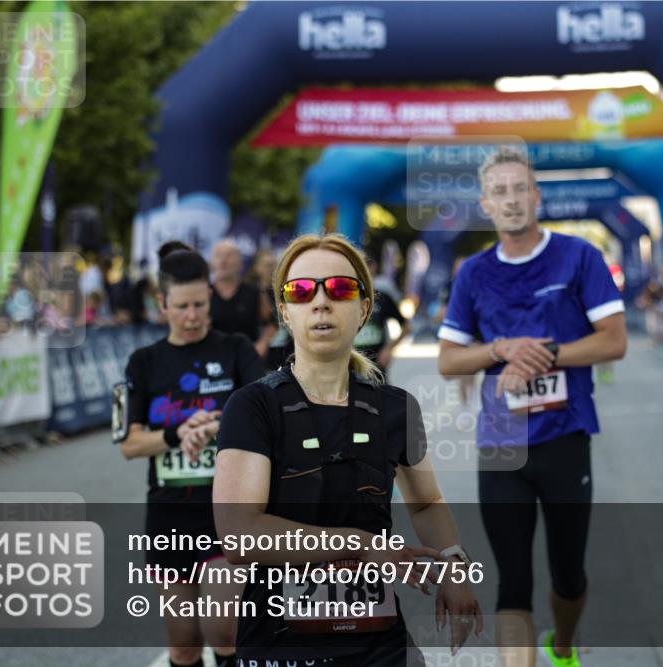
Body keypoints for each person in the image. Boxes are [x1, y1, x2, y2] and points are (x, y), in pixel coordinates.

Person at [214, 233, 482, 666]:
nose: (320, 302)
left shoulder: (395, 408)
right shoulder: (253, 406)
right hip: (280, 645)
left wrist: (453, 566)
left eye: (339, 288)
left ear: (363, 308)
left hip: (378, 645)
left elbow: (428, 502)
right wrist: (359, 544)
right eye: (301, 291)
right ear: (285, 311)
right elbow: (240, 533)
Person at [437, 147, 627, 667]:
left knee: (569, 574)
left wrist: (543, 355)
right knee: (512, 579)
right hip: (502, 442)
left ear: (537, 196)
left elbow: (613, 341)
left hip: (565, 436)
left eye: (520, 188)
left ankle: (562, 645)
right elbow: (449, 362)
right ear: (487, 204)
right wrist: (500, 350)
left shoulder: (578, 256)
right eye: (500, 192)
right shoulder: (473, 274)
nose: (512, 199)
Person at [118, 241, 266, 667]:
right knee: (183, 644)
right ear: (162, 304)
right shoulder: (142, 362)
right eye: (182, 306)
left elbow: (263, 413)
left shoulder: (235, 349)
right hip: (168, 515)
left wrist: (217, 426)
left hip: (226, 509)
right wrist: (175, 433)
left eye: (201, 304)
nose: (193, 315)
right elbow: (129, 444)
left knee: (224, 628)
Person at [210, 239, 274, 354]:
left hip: (246, 359)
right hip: (212, 359)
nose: (223, 260)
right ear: (211, 262)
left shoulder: (254, 292)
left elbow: (271, 323)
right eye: (219, 255)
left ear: (240, 263)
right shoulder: (204, 294)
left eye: (229, 255)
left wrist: (263, 343)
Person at [353, 256, 409, 381]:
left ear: (374, 270)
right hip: (350, 366)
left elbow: (406, 327)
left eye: (368, 269)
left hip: (377, 367)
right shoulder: (346, 298)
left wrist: (389, 349)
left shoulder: (382, 298)